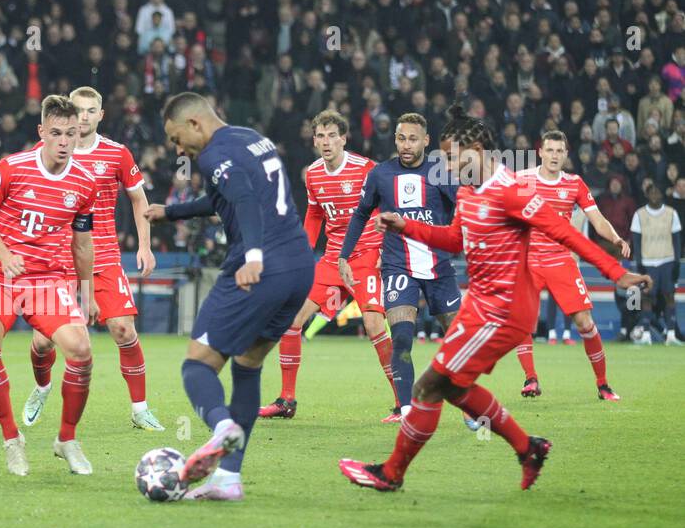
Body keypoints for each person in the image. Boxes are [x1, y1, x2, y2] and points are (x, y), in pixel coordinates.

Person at [339, 107, 651, 492]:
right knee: (451, 387)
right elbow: (455, 240)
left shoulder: (513, 191)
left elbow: (564, 233)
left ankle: (391, 474)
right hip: (479, 307)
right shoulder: (468, 191)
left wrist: (617, 273)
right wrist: (408, 226)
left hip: (503, 312)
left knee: (429, 387)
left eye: (453, 157)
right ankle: (527, 448)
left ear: (477, 149)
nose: (448, 165)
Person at [147, 92, 314, 502]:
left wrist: (253, 255)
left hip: (260, 267)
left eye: (175, 138)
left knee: (197, 365)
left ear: (195, 125)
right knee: (248, 363)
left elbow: (243, 200)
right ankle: (227, 478)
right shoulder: (249, 137)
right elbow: (230, 198)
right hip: (299, 266)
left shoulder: (212, 156)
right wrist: (170, 212)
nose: (176, 148)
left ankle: (222, 427)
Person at [0, 95, 100, 476]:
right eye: (56, 133)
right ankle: (12, 440)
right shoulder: (11, 168)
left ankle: (66, 439)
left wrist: (87, 293)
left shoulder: (84, 184)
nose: (63, 141)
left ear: (79, 136)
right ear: (42, 132)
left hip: (46, 279)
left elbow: (83, 243)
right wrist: (6, 255)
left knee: (81, 350)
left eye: (71, 134)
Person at [23, 86, 163, 434]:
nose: (83, 117)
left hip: (104, 256)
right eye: (78, 111)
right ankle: (42, 388)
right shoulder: (48, 151)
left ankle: (140, 409)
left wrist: (144, 246)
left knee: (123, 329)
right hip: (58, 261)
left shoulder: (116, 154)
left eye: (90, 111)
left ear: (101, 115)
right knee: (42, 342)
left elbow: (138, 198)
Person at [257, 110, 399, 422]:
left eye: (332, 135)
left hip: (365, 257)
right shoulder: (314, 175)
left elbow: (389, 206)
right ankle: (287, 400)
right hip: (333, 260)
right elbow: (315, 215)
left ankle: (404, 404)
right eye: (320, 135)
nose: (325, 141)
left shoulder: (365, 169)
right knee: (291, 320)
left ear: (344, 138)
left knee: (375, 324)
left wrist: (385, 248)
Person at [338, 113, 461, 419]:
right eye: (401, 138)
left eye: (413, 139)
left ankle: (467, 403)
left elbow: (464, 207)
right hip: (398, 267)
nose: (406, 145)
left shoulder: (440, 172)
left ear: (426, 141)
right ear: (395, 139)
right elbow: (360, 215)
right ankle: (407, 409)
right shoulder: (380, 174)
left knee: (459, 340)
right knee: (402, 337)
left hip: (439, 267)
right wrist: (344, 255)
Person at [513, 131, 630, 398]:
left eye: (559, 151)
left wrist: (615, 237)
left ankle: (603, 384)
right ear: (540, 152)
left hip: (560, 260)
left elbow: (597, 219)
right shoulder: (522, 180)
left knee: (585, 323)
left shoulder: (575, 183)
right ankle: (530, 379)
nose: (554, 156)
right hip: (529, 260)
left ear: (566, 155)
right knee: (522, 321)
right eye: (550, 150)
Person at [629, 182, 682, 344]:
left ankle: (671, 334)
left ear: (662, 195)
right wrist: (639, 263)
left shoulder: (671, 213)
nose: (654, 196)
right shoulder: (639, 215)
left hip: (666, 259)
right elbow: (636, 242)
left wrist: (676, 263)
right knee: (646, 297)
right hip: (648, 261)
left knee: (669, 296)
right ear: (647, 195)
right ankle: (645, 334)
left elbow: (677, 241)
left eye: (657, 193)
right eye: (651, 193)